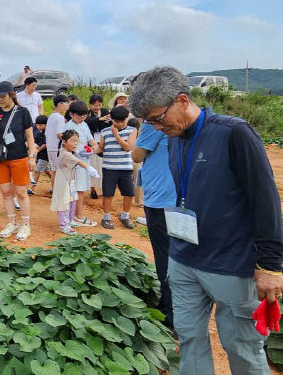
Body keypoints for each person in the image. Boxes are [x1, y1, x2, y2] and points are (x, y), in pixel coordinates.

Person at [129, 66, 283, 374]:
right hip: (184, 258)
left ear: (182, 100)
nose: (157, 128)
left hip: (230, 265)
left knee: (242, 346)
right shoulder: (173, 138)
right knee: (188, 337)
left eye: (158, 119)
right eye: (149, 122)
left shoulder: (232, 133)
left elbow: (265, 201)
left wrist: (270, 266)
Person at [132, 122, 177, 331]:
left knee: (165, 259)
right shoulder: (182, 122)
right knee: (178, 255)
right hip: (177, 197)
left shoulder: (153, 123)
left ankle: (170, 316)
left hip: (160, 200)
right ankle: (177, 309)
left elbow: (137, 155)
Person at [0, 81, 35, 240]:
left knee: (21, 192)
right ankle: (12, 222)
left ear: (11, 95)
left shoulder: (22, 112)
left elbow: (30, 137)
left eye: (2, 96)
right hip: (1, 158)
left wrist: (31, 157)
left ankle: (25, 225)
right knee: (5, 192)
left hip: (19, 157)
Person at [50, 130, 100, 235]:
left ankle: (71, 220)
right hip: (63, 182)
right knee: (64, 202)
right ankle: (64, 225)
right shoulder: (65, 154)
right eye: (72, 141)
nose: (75, 144)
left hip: (70, 181)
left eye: (77, 141)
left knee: (72, 200)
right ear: (64, 141)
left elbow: (76, 154)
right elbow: (79, 162)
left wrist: (80, 151)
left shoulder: (68, 152)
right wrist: (89, 168)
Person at [98, 106, 137, 229]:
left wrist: (116, 134)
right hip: (109, 168)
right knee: (108, 194)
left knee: (129, 193)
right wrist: (93, 149)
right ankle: (106, 217)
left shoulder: (132, 130)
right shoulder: (104, 131)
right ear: (112, 120)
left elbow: (127, 147)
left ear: (127, 119)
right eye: (116, 121)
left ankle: (125, 215)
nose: (119, 124)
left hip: (125, 168)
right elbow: (101, 148)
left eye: (122, 121)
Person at [64, 101, 99, 227]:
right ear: (71, 114)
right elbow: (67, 146)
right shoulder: (68, 127)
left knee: (81, 189)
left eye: (84, 116)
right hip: (75, 162)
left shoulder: (84, 124)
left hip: (84, 160)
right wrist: (80, 151)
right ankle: (78, 216)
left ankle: (74, 215)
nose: (82, 118)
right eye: (79, 116)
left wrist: (94, 145)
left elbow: (90, 139)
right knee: (78, 189)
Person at [85, 94, 111, 199]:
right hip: (91, 143)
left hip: (102, 142)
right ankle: (93, 189)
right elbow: (86, 123)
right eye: (95, 105)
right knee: (92, 165)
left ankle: (104, 188)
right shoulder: (87, 113)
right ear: (90, 105)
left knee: (103, 166)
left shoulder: (105, 112)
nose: (97, 108)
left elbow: (109, 125)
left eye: (99, 105)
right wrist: (99, 119)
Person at [46, 94, 71, 187]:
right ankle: (58, 192)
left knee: (54, 170)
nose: (67, 107)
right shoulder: (59, 117)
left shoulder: (52, 116)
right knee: (60, 171)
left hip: (50, 147)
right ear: (60, 104)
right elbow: (60, 134)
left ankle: (54, 191)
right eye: (66, 104)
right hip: (57, 148)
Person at [29, 115, 51, 193]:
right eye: (37, 124)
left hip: (45, 156)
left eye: (40, 125)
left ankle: (32, 188)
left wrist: (38, 150)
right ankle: (55, 184)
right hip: (41, 155)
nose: (38, 126)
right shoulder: (39, 133)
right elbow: (38, 143)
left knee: (37, 170)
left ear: (46, 125)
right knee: (47, 171)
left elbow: (45, 144)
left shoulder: (47, 133)